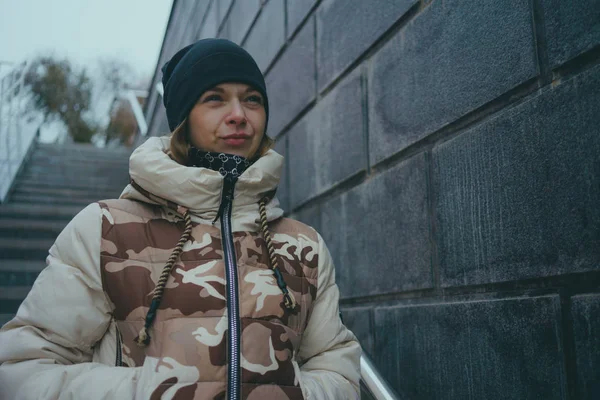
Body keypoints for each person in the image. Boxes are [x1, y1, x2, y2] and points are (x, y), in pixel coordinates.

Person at [0, 39, 361, 399]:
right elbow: (24, 370)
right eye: (214, 98)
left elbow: (337, 369)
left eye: (252, 99)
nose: (239, 114)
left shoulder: (304, 245)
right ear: (182, 121)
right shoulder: (104, 229)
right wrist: (156, 392)